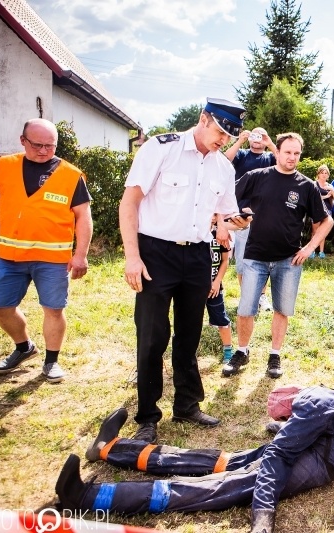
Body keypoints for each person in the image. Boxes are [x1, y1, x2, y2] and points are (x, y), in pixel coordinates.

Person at [119, 98, 250, 443]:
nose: (223, 140)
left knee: (189, 334)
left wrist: (235, 222)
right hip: (155, 252)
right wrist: (132, 257)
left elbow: (224, 217)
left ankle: (187, 404)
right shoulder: (162, 148)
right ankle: (147, 416)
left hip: (197, 255)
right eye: (220, 131)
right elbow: (129, 202)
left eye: (229, 135)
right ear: (203, 119)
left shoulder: (223, 168)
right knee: (152, 336)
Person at [55, 385, 334, 533]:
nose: (284, 422)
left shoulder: (313, 403)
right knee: (214, 460)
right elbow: (312, 428)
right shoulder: (319, 400)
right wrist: (282, 429)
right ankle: (109, 447)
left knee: (218, 487)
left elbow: (280, 455)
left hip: (318, 461)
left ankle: (86, 497)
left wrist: (263, 514)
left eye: (285, 419)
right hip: (317, 447)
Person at [0, 118, 93, 383]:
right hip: (10, 257)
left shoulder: (71, 175)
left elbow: (83, 217)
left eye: (50, 145)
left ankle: (51, 361)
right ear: (22, 140)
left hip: (52, 259)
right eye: (37, 145)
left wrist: (80, 255)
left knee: (54, 309)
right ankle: (24, 347)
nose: (44, 151)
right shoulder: (2, 166)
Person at [226, 133, 333, 379]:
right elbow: (226, 198)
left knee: (282, 309)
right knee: (245, 309)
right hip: (255, 256)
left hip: (288, 260)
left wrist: (309, 248)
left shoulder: (307, 186)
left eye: (296, 153)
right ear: (277, 152)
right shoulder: (256, 176)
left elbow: (327, 221)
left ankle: (275, 356)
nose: (292, 157)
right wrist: (232, 221)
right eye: (287, 152)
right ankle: (241, 351)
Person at [225, 127, 278, 313]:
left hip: (265, 215)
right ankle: (246, 296)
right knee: (242, 260)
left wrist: (270, 143)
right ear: (249, 138)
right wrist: (239, 140)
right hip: (242, 216)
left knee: (263, 259)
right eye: (254, 135)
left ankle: (261, 296)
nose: (257, 139)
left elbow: (285, 161)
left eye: (261, 136)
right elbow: (224, 160)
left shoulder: (270, 157)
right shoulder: (241, 154)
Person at [207, 220, 234, 364]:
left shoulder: (220, 234)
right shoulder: (195, 234)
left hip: (215, 288)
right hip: (195, 287)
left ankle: (228, 351)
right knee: (189, 321)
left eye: (215, 214)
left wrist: (217, 281)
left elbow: (225, 261)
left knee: (221, 318)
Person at [311, 164, 334, 258]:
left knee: (323, 232)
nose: (324, 175)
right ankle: (312, 251)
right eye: (322, 173)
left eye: (326, 173)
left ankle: (321, 252)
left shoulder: (330, 185)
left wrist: (332, 190)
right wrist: (326, 196)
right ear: (318, 174)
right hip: (316, 210)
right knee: (315, 231)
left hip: (328, 210)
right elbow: (313, 198)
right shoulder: (314, 184)